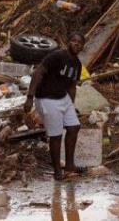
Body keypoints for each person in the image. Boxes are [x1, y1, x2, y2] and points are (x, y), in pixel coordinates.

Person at [24, 32, 86, 180]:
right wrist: (29, 97)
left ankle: (70, 165)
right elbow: (38, 72)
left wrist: (72, 104)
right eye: (74, 41)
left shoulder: (77, 64)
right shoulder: (57, 56)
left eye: (80, 43)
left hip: (63, 98)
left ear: (83, 47)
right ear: (68, 42)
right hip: (47, 98)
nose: (76, 44)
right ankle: (58, 171)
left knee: (74, 127)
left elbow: (72, 86)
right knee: (56, 135)